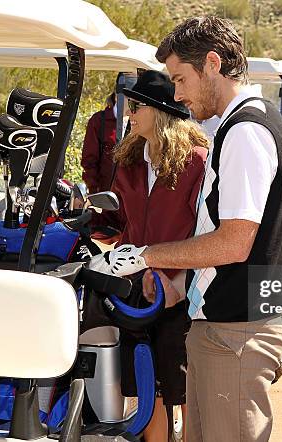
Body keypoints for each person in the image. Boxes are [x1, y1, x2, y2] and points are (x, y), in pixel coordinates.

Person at [90, 16, 282, 442]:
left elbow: (235, 242)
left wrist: (146, 256)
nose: (177, 94)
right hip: (224, 325)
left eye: (181, 79)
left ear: (213, 65)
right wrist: (178, 282)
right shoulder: (246, 124)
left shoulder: (246, 131)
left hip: (238, 331)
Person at [92, 70, 208, 442]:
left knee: (185, 388)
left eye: (136, 105)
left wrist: (176, 279)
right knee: (148, 389)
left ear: (159, 110)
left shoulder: (197, 163)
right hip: (136, 295)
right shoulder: (127, 162)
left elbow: (202, 232)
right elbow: (113, 220)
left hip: (180, 295)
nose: (129, 112)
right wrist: (78, 210)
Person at [81, 88, 117, 194]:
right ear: (116, 95)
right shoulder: (98, 121)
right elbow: (89, 160)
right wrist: (95, 193)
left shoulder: (138, 121)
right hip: (104, 196)